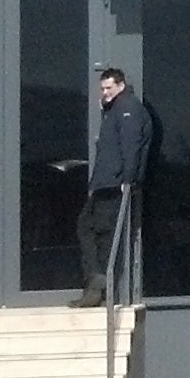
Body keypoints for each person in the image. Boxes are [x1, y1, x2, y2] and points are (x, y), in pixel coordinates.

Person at [74, 68, 160, 308]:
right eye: (102, 89)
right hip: (106, 182)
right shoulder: (115, 110)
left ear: (121, 86)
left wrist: (128, 180)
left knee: (103, 233)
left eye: (109, 88)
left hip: (115, 184)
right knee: (89, 227)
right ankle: (96, 283)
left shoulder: (127, 109)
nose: (104, 92)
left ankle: (100, 287)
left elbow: (130, 146)